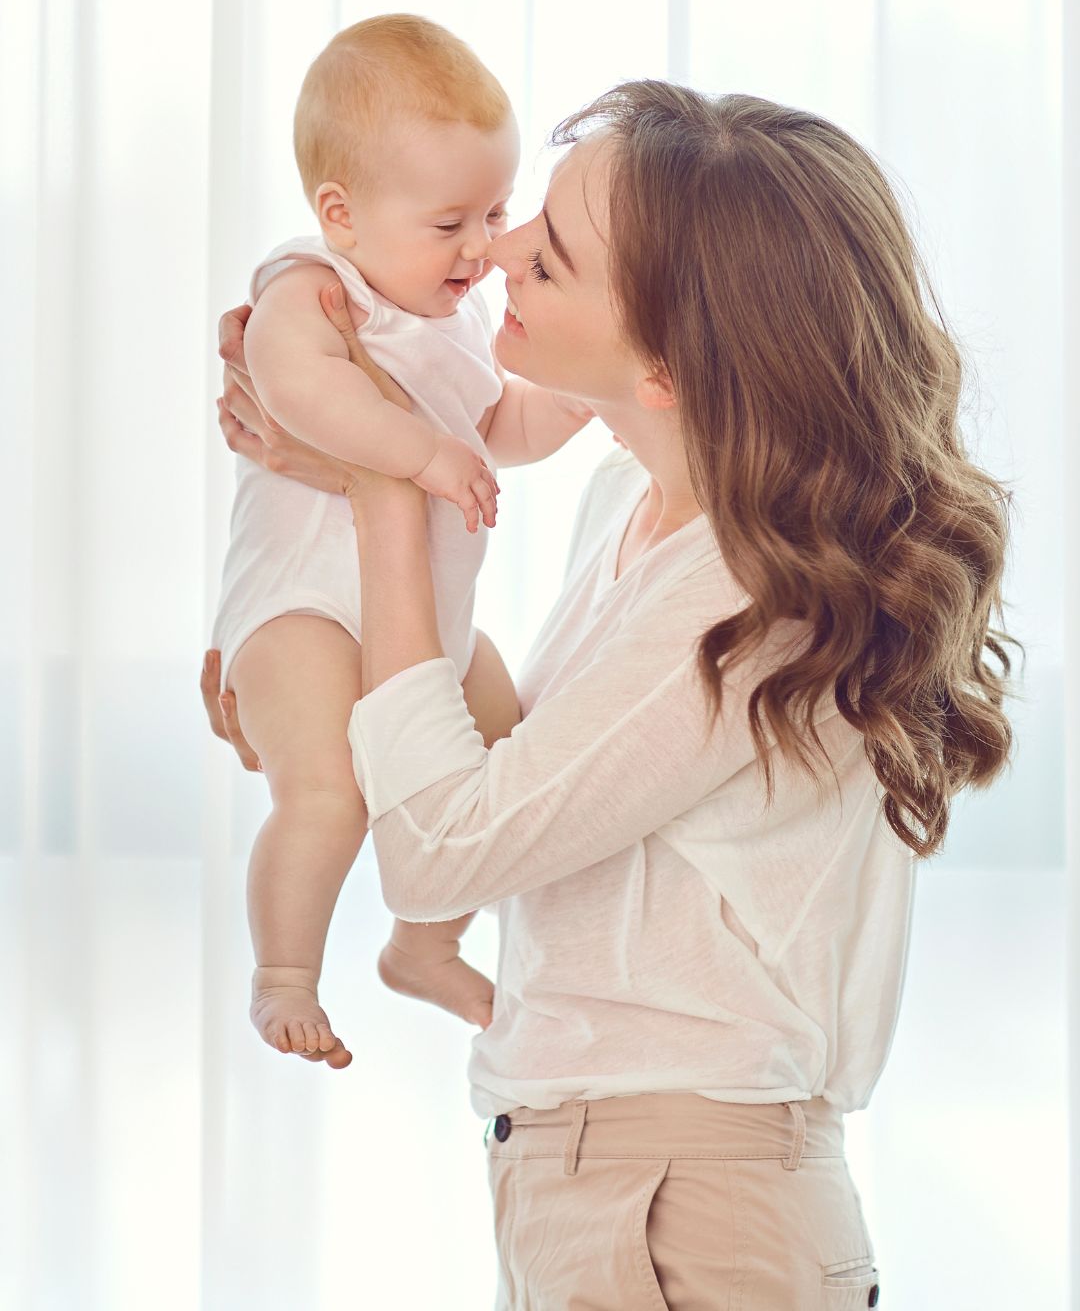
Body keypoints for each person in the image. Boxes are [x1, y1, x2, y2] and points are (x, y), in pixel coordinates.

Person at [201, 78, 1018, 1308]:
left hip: (686, 1197)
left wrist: (378, 485)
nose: (503, 247)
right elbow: (497, 787)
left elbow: (438, 853)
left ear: (667, 370)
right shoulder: (625, 516)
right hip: (603, 1176)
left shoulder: (748, 595)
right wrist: (297, 648)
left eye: (554, 253)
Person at [208, 13, 595, 1069]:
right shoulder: (312, 285)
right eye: (451, 223)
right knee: (328, 789)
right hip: (305, 605)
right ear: (342, 213)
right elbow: (293, 389)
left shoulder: (455, 316)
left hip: (425, 611)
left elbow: (497, 427)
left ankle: (424, 945)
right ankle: (284, 972)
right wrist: (421, 456)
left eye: (498, 213)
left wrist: (571, 402)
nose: (482, 248)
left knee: (503, 748)